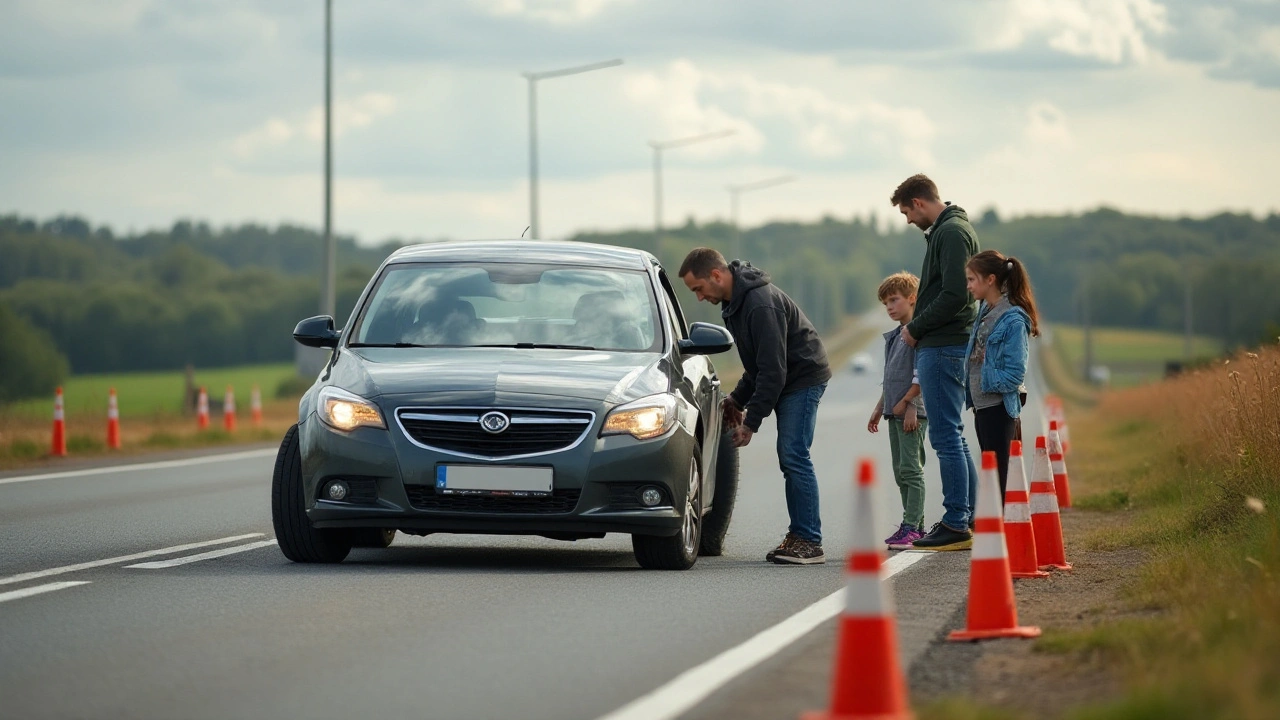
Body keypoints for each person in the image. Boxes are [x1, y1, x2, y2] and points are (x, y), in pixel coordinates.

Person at [679, 248, 832, 565]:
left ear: (717, 275)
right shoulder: (736, 303)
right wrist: (736, 399)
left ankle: (809, 541)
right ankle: (800, 534)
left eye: (698, 289)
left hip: (802, 378)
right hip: (785, 376)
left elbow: (774, 371)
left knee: (793, 453)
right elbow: (758, 367)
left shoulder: (759, 305)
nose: (699, 297)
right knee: (790, 455)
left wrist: (751, 423)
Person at [890, 173, 980, 552]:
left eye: (908, 212)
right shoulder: (946, 231)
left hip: (943, 345)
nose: (909, 220)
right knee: (953, 437)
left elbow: (957, 293)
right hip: (942, 344)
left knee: (945, 437)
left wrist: (916, 327)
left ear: (921, 202)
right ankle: (969, 517)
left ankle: (957, 522)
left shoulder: (951, 232)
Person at [963, 250, 1040, 500]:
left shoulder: (1013, 318)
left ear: (990, 279)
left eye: (972, 279)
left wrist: (990, 371)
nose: (969, 285)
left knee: (1000, 477)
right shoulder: (986, 309)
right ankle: (996, 530)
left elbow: (1016, 374)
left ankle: (1007, 533)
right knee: (991, 474)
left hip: (997, 407)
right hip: (982, 405)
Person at [866, 272, 928, 549]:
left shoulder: (917, 331)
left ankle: (911, 527)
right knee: (900, 472)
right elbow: (891, 377)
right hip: (895, 411)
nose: (890, 307)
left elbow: (921, 373)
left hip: (912, 411)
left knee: (911, 469)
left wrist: (912, 404)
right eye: (886, 303)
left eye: (894, 300)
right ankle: (917, 526)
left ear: (912, 299)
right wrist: (880, 408)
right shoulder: (895, 336)